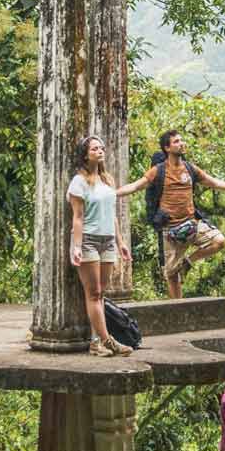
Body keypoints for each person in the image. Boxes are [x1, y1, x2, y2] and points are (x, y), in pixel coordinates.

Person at [143, 129, 225, 298]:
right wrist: (113, 193)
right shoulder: (158, 171)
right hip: (169, 228)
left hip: (191, 223)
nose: (182, 143)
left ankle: (187, 263)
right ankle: (179, 310)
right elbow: (141, 189)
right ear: (166, 148)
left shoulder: (188, 168)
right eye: (176, 141)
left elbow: (214, 182)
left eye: (181, 140)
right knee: (171, 274)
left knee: (219, 241)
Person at [68, 134, 153, 357]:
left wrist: (121, 242)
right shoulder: (79, 181)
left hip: (107, 241)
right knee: (93, 292)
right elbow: (77, 217)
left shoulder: (107, 180)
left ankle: (96, 342)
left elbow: (112, 215)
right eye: (95, 148)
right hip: (88, 239)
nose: (100, 150)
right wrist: (77, 246)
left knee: (101, 293)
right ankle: (108, 341)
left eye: (101, 147)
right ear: (85, 155)